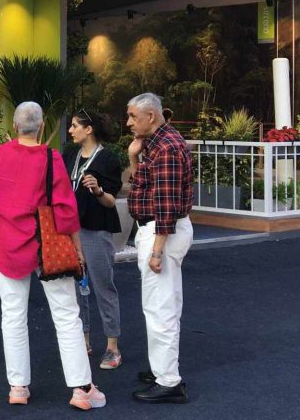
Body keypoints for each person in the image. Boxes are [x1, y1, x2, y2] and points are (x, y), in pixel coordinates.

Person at [0, 102, 106, 411]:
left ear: (15, 126)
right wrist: (77, 248)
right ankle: (81, 389)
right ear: (41, 127)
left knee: (12, 316)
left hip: (8, 243)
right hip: (47, 244)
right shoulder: (51, 159)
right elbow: (65, 209)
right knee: (66, 315)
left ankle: (18, 387)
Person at [126, 93, 193, 404]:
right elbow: (146, 185)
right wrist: (134, 158)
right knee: (162, 305)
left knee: (160, 308)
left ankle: (168, 381)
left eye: (133, 116)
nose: (129, 122)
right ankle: (162, 370)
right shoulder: (159, 143)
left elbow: (166, 205)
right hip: (160, 231)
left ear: (150, 116)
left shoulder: (165, 148)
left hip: (161, 233)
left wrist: (156, 251)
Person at [64, 109, 123, 370]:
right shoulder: (70, 155)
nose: (70, 130)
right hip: (71, 229)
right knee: (78, 288)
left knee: (102, 286)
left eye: (74, 126)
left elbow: (110, 201)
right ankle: (84, 341)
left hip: (96, 229)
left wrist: (98, 190)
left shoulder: (108, 159)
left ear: (88, 130)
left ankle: (112, 347)